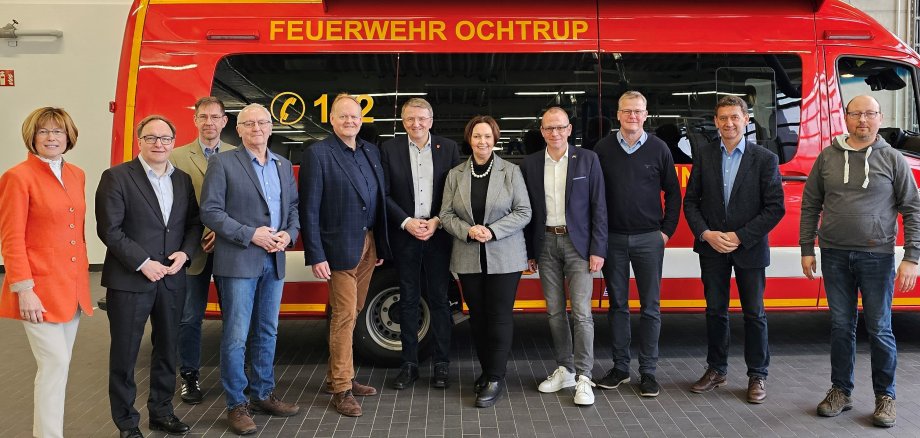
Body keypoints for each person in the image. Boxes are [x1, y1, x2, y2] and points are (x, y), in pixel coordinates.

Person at [800, 95, 920, 428]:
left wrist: (912, 257)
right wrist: (806, 248)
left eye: (869, 114)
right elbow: (810, 204)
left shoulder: (894, 160)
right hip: (834, 256)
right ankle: (841, 391)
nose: (862, 120)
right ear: (846, 118)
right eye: (856, 114)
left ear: (880, 118)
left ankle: (886, 397)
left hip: (877, 257)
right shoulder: (827, 157)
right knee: (841, 327)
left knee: (880, 329)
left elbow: (913, 209)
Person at [96, 115, 202, 438]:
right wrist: (142, 262)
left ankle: (161, 412)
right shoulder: (116, 177)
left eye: (166, 139)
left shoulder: (182, 179)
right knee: (125, 355)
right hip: (130, 280)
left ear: (173, 142)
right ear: (139, 141)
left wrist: (185, 254)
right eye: (152, 138)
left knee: (168, 349)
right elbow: (109, 230)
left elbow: (194, 224)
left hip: (172, 278)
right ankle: (127, 423)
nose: (159, 144)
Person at [200, 104, 301, 435]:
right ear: (238, 130)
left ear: (271, 128)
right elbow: (211, 212)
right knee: (236, 335)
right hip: (239, 259)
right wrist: (250, 234)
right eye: (249, 123)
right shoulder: (222, 162)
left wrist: (289, 233)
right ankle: (236, 404)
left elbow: (293, 209)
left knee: (268, 330)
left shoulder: (283, 165)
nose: (257, 128)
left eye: (262, 122)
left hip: (274, 259)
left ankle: (262, 393)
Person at [683, 95, 785, 404]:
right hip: (712, 247)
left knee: (754, 313)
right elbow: (691, 202)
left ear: (746, 120)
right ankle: (716, 369)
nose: (729, 123)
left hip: (749, 247)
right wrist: (706, 233)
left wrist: (740, 236)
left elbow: (775, 208)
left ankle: (757, 375)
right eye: (723, 118)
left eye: (735, 117)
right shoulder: (704, 155)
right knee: (715, 311)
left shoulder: (765, 159)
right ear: (715, 122)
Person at [0, 107, 92, 438]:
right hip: (37, 290)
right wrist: (23, 289)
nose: (51, 137)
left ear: (69, 137)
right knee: (54, 364)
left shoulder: (77, 174)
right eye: (44, 132)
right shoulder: (17, 177)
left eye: (58, 131)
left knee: (58, 367)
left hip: (72, 287)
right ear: (32, 137)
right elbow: (11, 239)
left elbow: (74, 232)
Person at [300, 94, 390, 417]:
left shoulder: (370, 152)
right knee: (345, 316)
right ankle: (341, 389)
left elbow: (378, 199)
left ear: (361, 120)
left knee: (354, 311)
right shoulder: (318, 154)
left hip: (368, 245)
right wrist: (316, 254)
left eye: (355, 117)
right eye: (343, 117)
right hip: (337, 249)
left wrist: (378, 244)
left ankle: (340, 375)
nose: (350, 121)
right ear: (332, 120)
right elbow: (309, 208)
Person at [440, 115, 531, 408]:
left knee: (499, 316)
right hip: (468, 255)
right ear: (470, 139)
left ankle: (495, 376)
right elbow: (445, 215)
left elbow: (523, 211)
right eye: (477, 136)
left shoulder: (511, 171)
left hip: (505, 255)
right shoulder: (455, 174)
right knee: (477, 317)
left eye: (487, 136)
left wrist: (491, 231)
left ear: (495, 139)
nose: (482, 142)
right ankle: (486, 370)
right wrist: (468, 230)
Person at [594, 91, 681, 398]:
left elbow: (673, 193)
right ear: (618, 115)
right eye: (627, 111)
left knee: (651, 307)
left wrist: (665, 232)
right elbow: (593, 196)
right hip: (613, 239)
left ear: (646, 115)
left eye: (638, 111)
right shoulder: (602, 149)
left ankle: (648, 372)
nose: (633, 116)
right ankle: (620, 368)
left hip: (649, 239)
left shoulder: (659, 149)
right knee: (617, 305)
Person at [520, 107, 606, 406]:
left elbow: (599, 207)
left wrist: (598, 249)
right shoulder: (529, 164)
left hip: (578, 244)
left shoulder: (588, 159)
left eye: (560, 128)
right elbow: (526, 211)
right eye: (548, 128)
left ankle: (584, 377)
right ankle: (565, 369)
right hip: (545, 243)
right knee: (554, 311)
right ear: (541, 131)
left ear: (570, 130)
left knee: (582, 313)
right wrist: (529, 251)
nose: (554, 133)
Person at [381, 98, 460, 390]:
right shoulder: (389, 150)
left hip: (438, 234)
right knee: (409, 299)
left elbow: (455, 192)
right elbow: (384, 193)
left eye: (422, 119)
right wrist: (406, 222)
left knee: (440, 300)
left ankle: (442, 364)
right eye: (410, 119)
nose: (416, 124)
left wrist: (438, 220)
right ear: (403, 122)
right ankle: (409, 364)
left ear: (431, 120)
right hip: (405, 234)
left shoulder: (448, 148)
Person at [171, 96, 236, 405]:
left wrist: (222, 234)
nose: (209, 122)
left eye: (215, 117)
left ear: (225, 121)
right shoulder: (175, 157)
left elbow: (243, 205)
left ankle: (236, 377)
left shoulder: (239, 155)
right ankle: (189, 377)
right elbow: (171, 208)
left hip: (230, 248)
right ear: (194, 120)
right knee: (189, 317)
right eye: (203, 117)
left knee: (235, 317)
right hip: (191, 250)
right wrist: (194, 238)